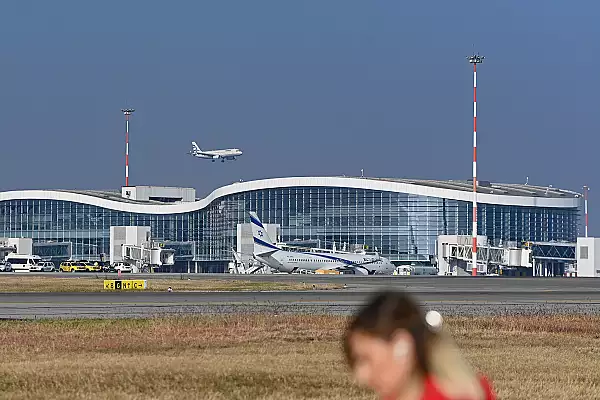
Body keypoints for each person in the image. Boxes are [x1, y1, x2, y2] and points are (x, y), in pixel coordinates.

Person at [343, 290, 496, 400]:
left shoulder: (461, 393)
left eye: (365, 359)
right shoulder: (471, 388)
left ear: (402, 347)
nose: (361, 376)